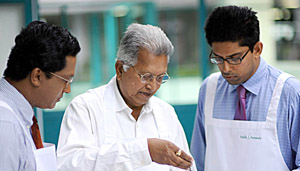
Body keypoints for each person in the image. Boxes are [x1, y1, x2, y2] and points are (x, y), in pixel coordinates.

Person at [57, 23, 196, 171]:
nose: (153, 86)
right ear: (120, 69)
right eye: (146, 76)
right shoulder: (86, 108)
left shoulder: (165, 113)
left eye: (160, 78)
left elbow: (186, 167)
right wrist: (145, 151)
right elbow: (69, 165)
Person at [190, 5, 300, 171]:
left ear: (257, 49)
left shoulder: (290, 93)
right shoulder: (209, 89)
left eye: (234, 58)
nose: (225, 68)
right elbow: (198, 161)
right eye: (218, 58)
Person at [0, 21, 81, 170]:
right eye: (66, 80)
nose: (68, 89)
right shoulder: (5, 123)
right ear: (37, 76)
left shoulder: (18, 117)